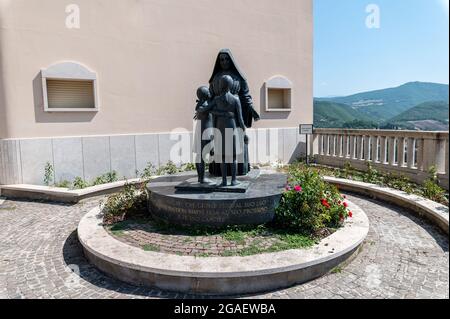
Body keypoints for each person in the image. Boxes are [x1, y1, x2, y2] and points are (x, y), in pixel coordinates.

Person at [208, 49, 260, 176]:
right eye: (221, 59)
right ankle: (220, 172)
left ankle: (238, 171)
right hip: (219, 116)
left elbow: (245, 95)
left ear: (231, 60)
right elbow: (210, 96)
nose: (224, 61)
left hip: (235, 115)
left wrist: (251, 108)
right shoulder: (215, 77)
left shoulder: (238, 77)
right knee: (220, 144)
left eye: (226, 59)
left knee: (236, 144)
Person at [211, 75, 246, 186]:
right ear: (231, 85)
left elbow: (211, 112)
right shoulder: (235, 99)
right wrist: (244, 132)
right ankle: (234, 180)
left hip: (220, 129)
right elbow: (240, 119)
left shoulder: (216, 99)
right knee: (233, 156)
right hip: (232, 127)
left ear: (220, 85)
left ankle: (224, 181)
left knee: (223, 157)